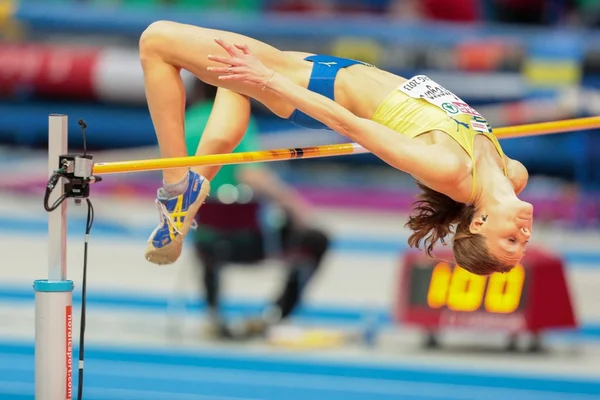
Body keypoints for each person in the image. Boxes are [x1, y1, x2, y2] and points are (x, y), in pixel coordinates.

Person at [140, 21, 532, 275]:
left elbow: (351, 127)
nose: (525, 234)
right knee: (231, 86)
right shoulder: (512, 174)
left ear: (479, 223)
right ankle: (194, 188)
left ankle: (177, 188)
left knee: (156, 41)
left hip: (315, 85)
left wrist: (272, 80)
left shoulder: (449, 170)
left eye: (510, 240)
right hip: (336, 68)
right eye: (521, 244)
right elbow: (499, 199)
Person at [184, 82, 330, 338]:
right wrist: (294, 205)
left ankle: (213, 313)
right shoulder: (234, 117)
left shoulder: (187, 122)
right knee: (317, 239)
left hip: (203, 236)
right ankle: (276, 314)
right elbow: (250, 173)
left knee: (209, 226)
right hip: (248, 241)